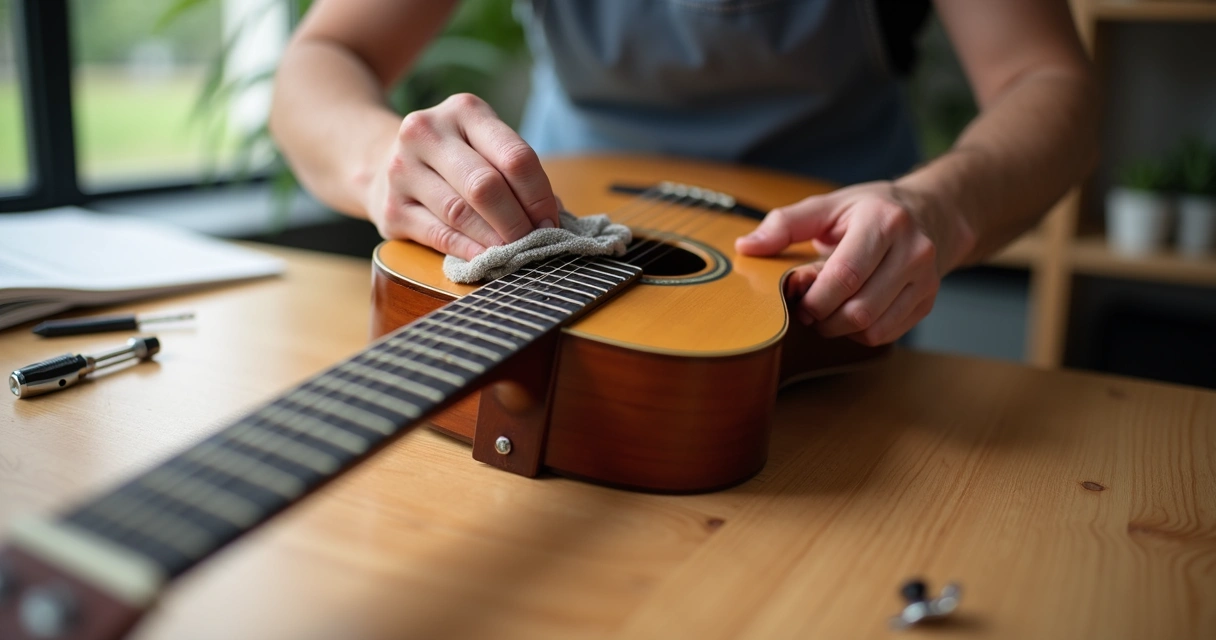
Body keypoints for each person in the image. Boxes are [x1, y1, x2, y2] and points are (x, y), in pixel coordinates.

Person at [270, 0, 1099, 346]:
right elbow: (324, 55)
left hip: (832, 299)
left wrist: (939, 205)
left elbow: (1050, 80)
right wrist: (380, 162)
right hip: (554, 272)